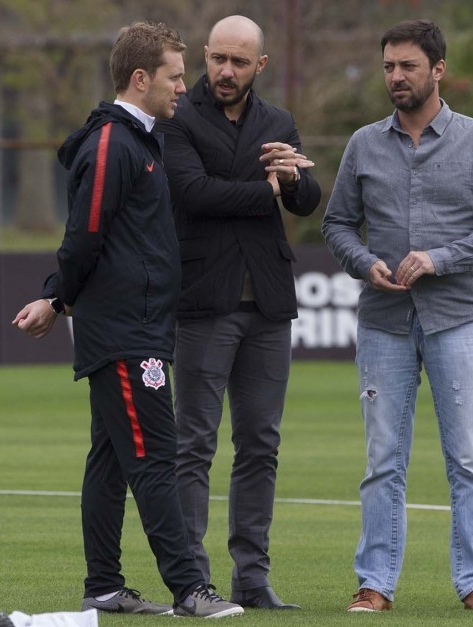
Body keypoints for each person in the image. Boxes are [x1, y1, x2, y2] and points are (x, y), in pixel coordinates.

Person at [11, 21, 243, 620]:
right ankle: (191, 589)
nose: (182, 88)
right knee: (156, 456)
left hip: (138, 329)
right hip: (125, 335)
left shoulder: (141, 141)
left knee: (111, 460)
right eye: (174, 77)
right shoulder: (114, 144)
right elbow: (84, 236)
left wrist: (59, 299)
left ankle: (104, 589)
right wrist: (57, 297)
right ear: (140, 79)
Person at [321, 19, 473, 614]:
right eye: (388, 66)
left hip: (459, 318)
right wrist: (365, 264)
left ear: (438, 70)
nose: (396, 77)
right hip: (382, 320)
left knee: (468, 458)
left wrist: (439, 258)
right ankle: (375, 584)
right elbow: (336, 224)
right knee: (382, 460)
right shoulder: (363, 143)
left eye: (407, 66)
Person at [152, 14, 321, 610]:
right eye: (218, 59)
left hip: (268, 304)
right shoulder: (177, 117)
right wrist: (266, 187)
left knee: (261, 444)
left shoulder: (277, 122)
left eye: (239, 62)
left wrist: (294, 176)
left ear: (260, 66)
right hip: (203, 302)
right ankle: (191, 579)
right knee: (194, 443)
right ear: (205, 54)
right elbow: (192, 194)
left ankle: (253, 579)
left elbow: (304, 199)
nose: (225, 72)